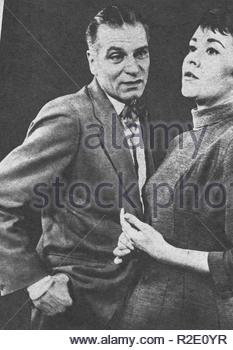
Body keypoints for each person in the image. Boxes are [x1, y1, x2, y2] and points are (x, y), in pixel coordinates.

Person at [113, 8, 233, 329]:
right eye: (193, 47)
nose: (192, 59)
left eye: (211, 50)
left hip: (196, 322)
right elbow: (171, 227)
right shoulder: (183, 141)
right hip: (147, 315)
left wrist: (163, 251)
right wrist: (138, 242)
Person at [0, 5, 154, 329]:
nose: (134, 68)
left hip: (130, 307)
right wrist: (36, 283)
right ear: (92, 60)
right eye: (116, 56)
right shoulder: (69, 116)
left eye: (141, 54)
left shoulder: (139, 114)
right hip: (73, 308)